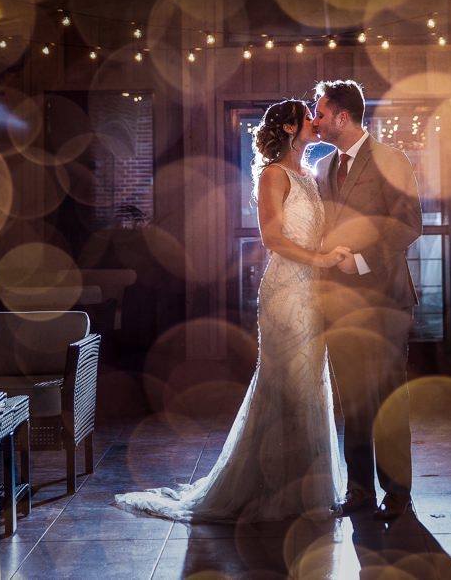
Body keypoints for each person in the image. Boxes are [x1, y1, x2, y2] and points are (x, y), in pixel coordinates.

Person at [115, 99, 349, 522]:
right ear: (291, 128)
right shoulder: (274, 176)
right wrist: (320, 260)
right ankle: (276, 487)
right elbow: (273, 239)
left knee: (310, 383)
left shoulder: (311, 175)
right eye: (307, 118)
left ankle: (309, 487)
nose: (315, 123)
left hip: (315, 293)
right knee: (285, 383)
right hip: (285, 291)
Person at [311, 79, 422, 520]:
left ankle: (397, 493)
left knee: (389, 398)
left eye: (320, 113)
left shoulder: (391, 159)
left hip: (385, 299)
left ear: (342, 116)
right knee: (353, 400)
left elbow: (409, 224)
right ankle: (357, 489)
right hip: (338, 303)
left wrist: (359, 261)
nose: (314, 121)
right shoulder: (322, 168)